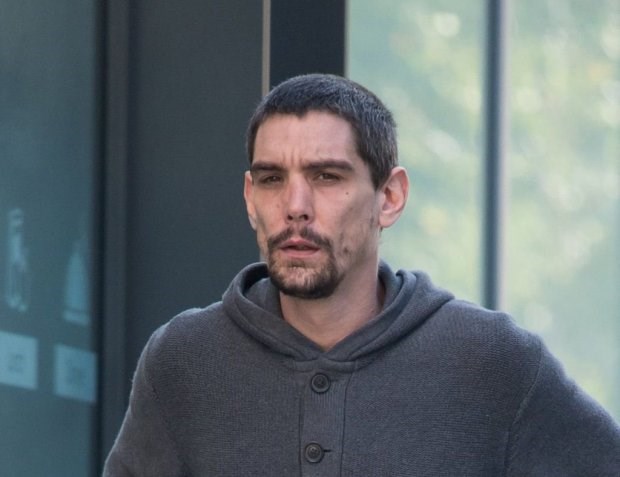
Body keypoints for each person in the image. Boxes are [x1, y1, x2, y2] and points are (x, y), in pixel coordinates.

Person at [103, 73, 620, 476]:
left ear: (389, 197)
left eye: (326, 176)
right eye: (272, 179)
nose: (295, 206)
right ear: (249, 198)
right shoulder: (183, 361)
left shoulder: (492, 361)